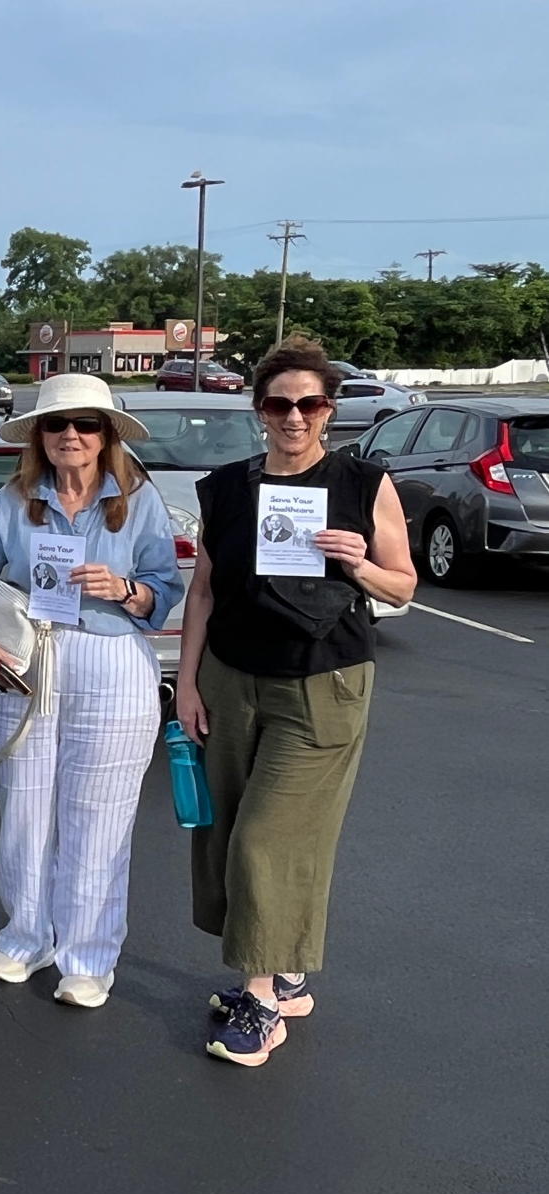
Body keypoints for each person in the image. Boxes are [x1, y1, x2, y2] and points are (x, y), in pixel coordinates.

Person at [176, 337, 416, 1066]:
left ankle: (257, 1001)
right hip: (230, 676)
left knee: (267, 839)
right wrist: (186, 683)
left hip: (322, 684)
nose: (293, 416)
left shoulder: (362, 483)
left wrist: (357, 562)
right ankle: (282, 968)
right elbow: (203, 591)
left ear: (328, 410)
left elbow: (402, 585)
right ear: (259, 409)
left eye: (308, 403)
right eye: (278, 403)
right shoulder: (223, 487)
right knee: (225, 833)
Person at [0, 372, 185, 1009]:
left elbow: (165, 589)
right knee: (24, 809)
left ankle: (88, 956)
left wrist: (126, 590)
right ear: (40, 436)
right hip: (27, 656)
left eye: (86, 424)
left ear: (107, 434)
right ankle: (27, 937)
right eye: (58, 424)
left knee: (99, 816)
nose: (71, 436)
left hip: (110, 656)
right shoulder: (13, 499)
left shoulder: (138, 500)